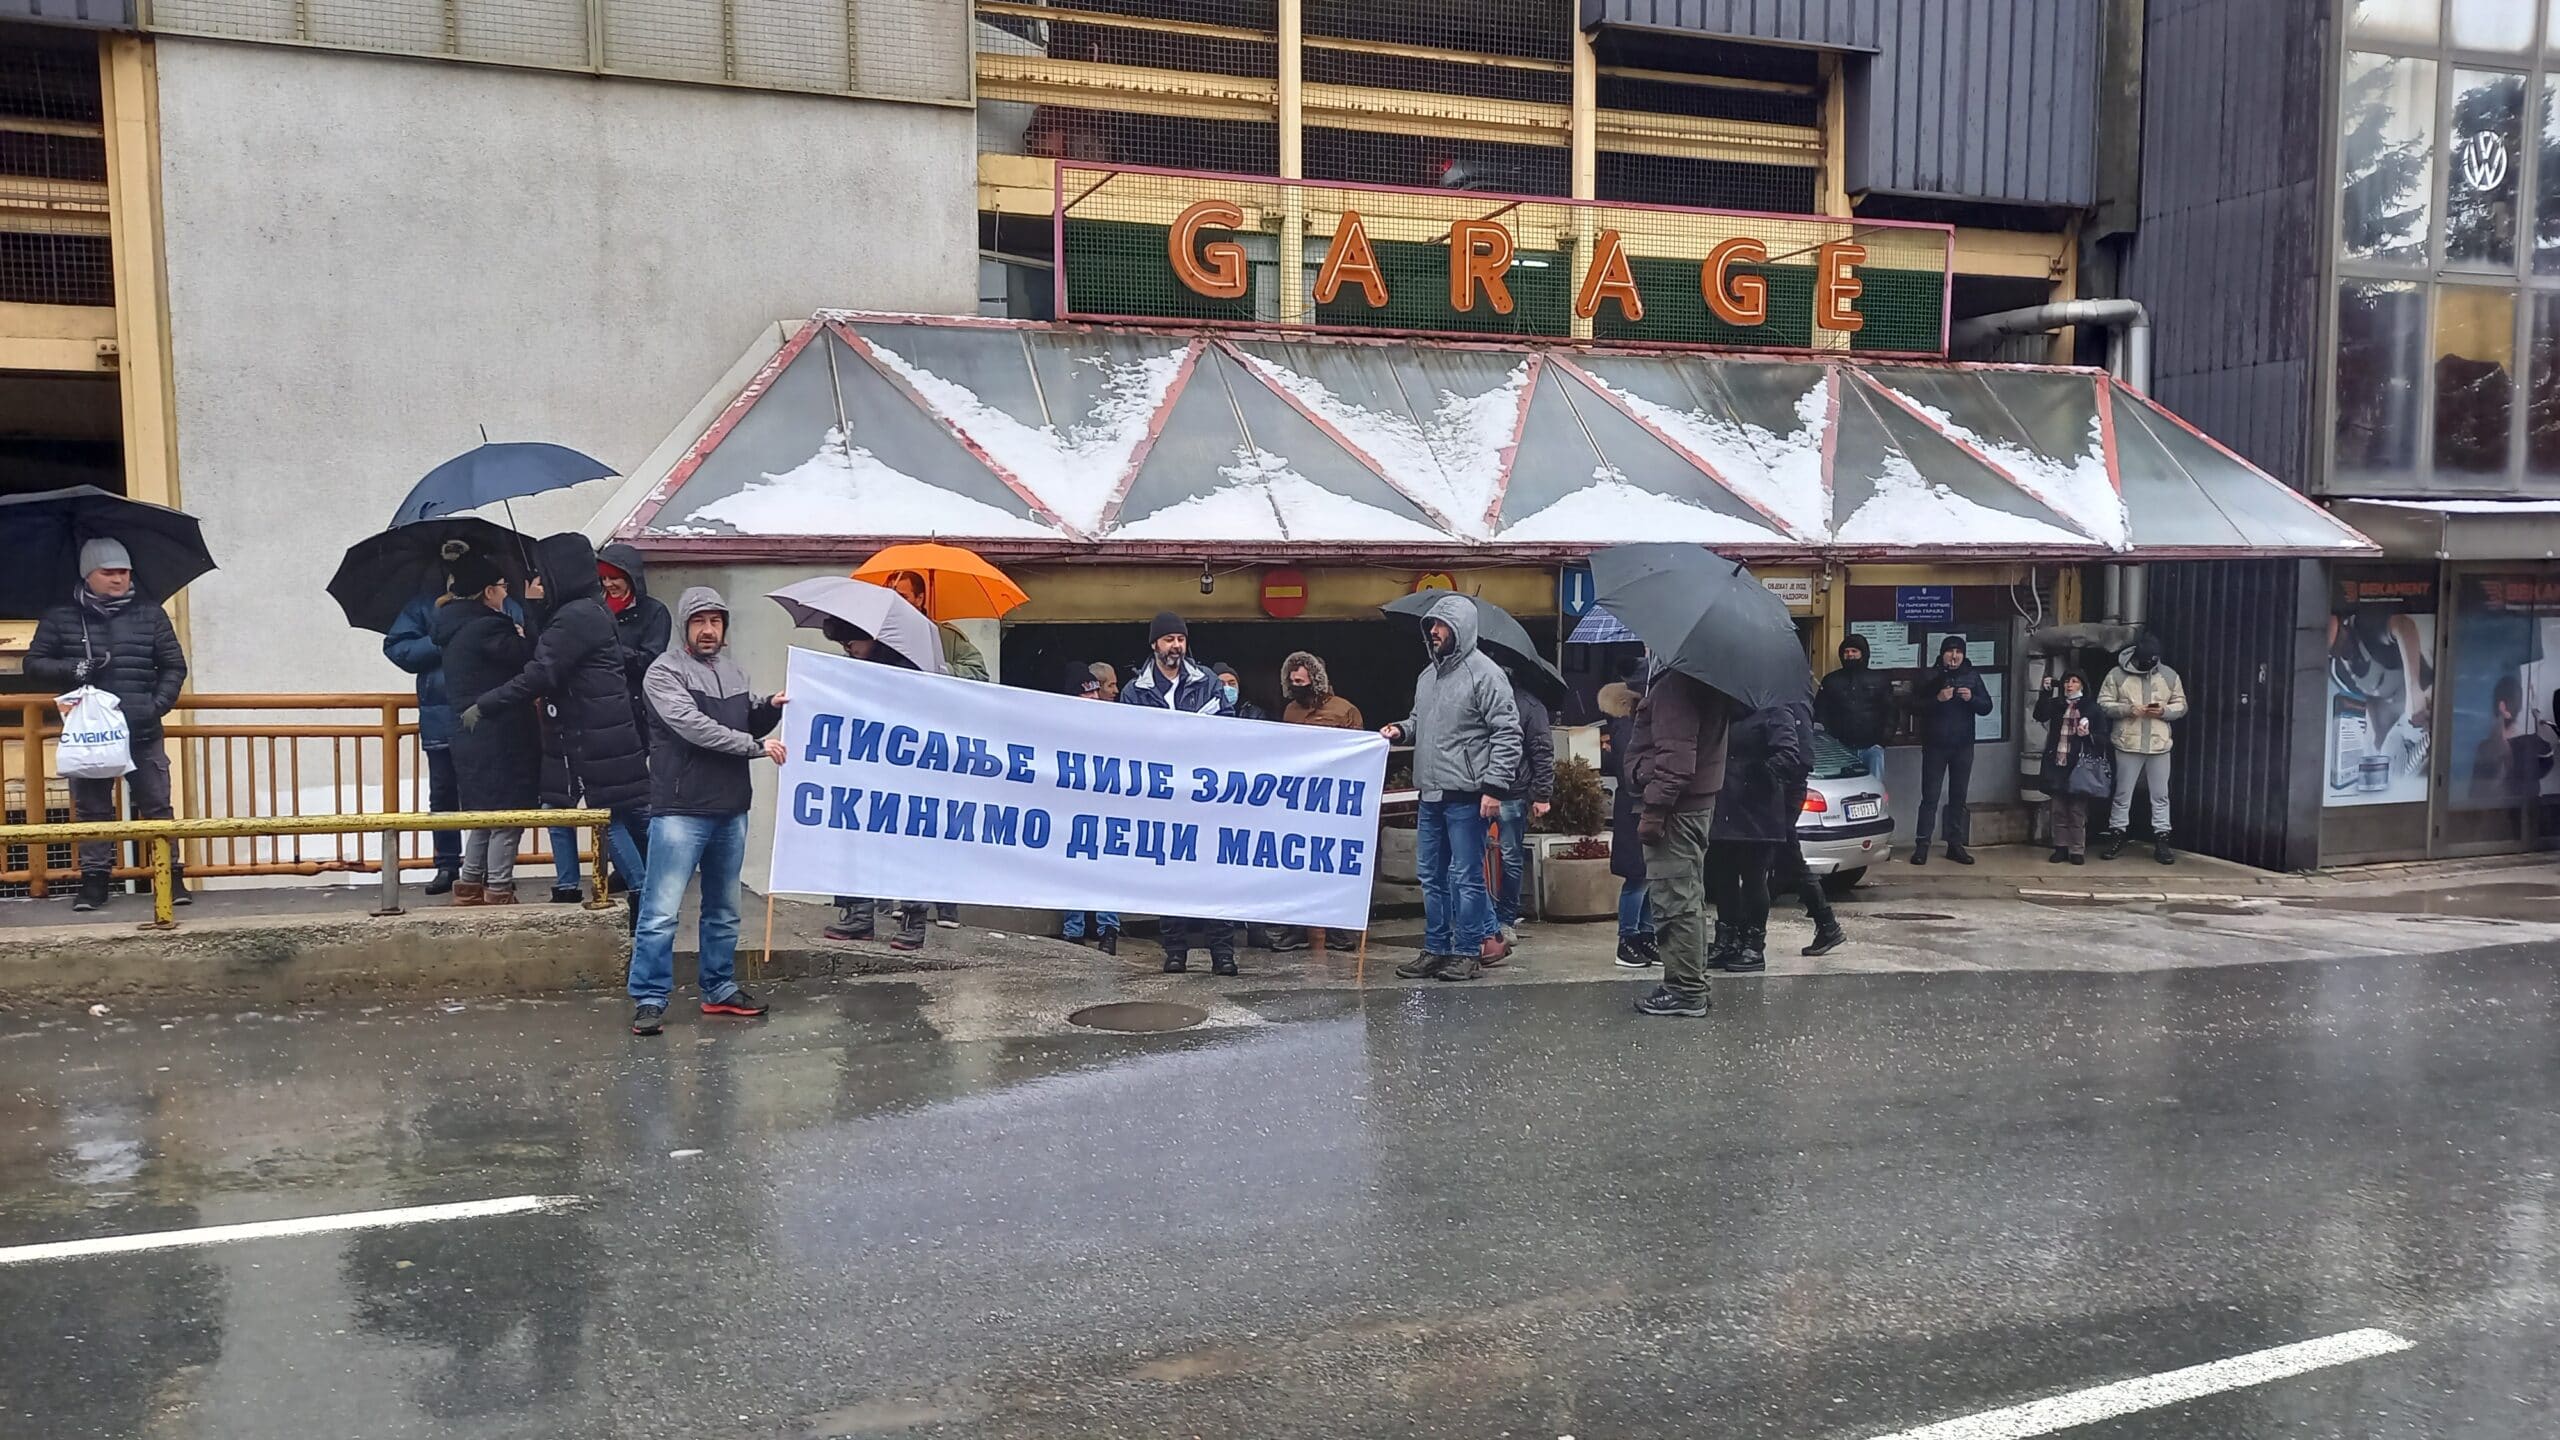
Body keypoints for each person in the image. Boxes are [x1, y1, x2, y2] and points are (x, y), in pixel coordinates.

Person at [464, 532, 652, 915]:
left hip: (590, 733)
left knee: (604, 819)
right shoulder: (587, 610)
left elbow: (541, 670)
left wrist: (486, 704)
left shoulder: (576, 616)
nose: (539, 580)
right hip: (591, 730)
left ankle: (644, 895)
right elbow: (548, 646)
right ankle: (597, 888)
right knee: (581, 809)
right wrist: (534, 608)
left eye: (544, 572)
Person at [627, 587, 785, 1035]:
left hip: (730, 807)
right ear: (685, 627)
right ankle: (650, 998)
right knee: (660, 912)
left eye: (716, 621)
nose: (709, 630)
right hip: (681, 808)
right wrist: (755, 746)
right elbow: (694, 727)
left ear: (725, 629)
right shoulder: (663, 673)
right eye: (700, 621)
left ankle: (718, 988)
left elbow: (742, 718)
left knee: (724, 909)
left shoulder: (734, 672)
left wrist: (768, 707)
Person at [27, 538, 189, 913]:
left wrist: (154, 707)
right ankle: (95, 882)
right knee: (92, 810)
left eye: (124, 571)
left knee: (157, 806)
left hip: (142, 729)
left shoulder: (150, 614)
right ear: (89, 575)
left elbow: (173, 667)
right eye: (109, 572)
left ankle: (171, 877)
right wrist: (73, 669)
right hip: (88, 734)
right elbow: (34, 665)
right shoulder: (61, 616)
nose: (119, 579)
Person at [1381, 595, 1520, 983]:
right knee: (1430, 876)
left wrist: (1494, 787)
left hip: (1468, 795)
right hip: (1431, 793)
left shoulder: (1487, 675)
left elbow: (1508, 733)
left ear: (1461, 629)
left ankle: (1466, 950)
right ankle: (1437, 947)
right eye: (1431, 626)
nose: (1434, 632)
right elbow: (1419, 719)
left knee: (1466, 876)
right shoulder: (1428, 676)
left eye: (1441, 625)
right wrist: (1402, 729)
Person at [1122, 612, 1239, 973]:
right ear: (1154, 644)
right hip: (1163, 797)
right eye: (1169, 639)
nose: (1175, 646)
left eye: (1181, 639)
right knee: (1170, 874)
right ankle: (1175, 951)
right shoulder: (1134, 691)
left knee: (1214, 873)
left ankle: (1223, 953)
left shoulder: (1208, 683)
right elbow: (1125, 740)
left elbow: (1230, 727)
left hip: (1206, 794)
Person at [817, 616, 935, 952]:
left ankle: (914, 919)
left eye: (851, 642)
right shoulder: (856, 670)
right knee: (856, 839)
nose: (848, 650)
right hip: (865, 771)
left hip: (906, 773)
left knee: (909, 845)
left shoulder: (907, 669)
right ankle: (858, 913)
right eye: (842, 646)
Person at [430, 551, 540, 904]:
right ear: (487, 590)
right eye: (503, 586)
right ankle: (499, 889)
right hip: (502, 732)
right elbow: (529, 658)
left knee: (481, 813)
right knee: (508, 815)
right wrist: (531, 617)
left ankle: (469, 885)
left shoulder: (450, 626)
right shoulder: (490, 626)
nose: (506, 593)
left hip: (469, 733)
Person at [1622, 661, 1730, 1016]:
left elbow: (1676, 763)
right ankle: (1690, 980)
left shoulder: (1675, 686)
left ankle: (1685, 988)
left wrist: (1653, 804)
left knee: (1674, 898)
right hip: (1694, 804)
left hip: (1676, 810)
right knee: (1686, 894)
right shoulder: (1706, 678)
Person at [383, 540, 471, 895]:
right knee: (444, 794)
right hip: (439, 714)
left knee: (486, 794)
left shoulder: (495, 598)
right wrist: (441, 641)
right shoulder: (424, 605)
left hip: (485, 714)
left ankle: (489, 869)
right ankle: (447, 864)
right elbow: (397, 648)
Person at [1704, 699, 1811, 975]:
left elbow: (1789, 754)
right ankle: (1726, 938)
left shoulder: (1774, 711)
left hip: (1757, 809)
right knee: (1723, 878)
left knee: (1753, 878)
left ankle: (1753, 943)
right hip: (1724, 804)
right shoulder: (1721, 709)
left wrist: (1762, 772)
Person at [2099, 633, 2189, 864]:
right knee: (2122, 794)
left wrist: (2164, 712)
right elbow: (2103, 703)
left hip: (2159, 743)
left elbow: (2181, 703)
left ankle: (2162, 840)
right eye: (2145, 660)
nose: (2149, 664)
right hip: (2128, 741)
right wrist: (2128, 710)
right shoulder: (2117, 675)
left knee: (2160, 795)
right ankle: (2117, 834)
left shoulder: (2169, 675)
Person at [1906, 636, 1993, 866]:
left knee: (1958, 796)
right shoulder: (1930, 675)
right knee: (1930, 797)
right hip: (1935, 745)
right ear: (1942, 653)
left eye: (1958, 652)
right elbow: (1913, 707)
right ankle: (1922, 845)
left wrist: (1971, 698)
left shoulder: (1972, 676)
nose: (1954, 656)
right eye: (1950, 652)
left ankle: (1955, 845)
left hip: (1963, 746)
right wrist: (1937, 699)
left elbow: (1987, 707)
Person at [1056, 663, 1120, 955]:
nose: (1094, 698)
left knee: (1105, 869)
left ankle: (1109, 931)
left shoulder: (1111, 728)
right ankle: (1074, 932)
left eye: (1096, 691)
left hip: (1105, 809)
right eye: (1087, 693)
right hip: (1071, 810)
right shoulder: (1061, 730)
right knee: (1073, 870)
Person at [1490, 663, 1554, 949]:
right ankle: (1492, 919)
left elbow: (1542, 751)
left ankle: (1504, 918)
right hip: (1482, 790)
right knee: (1482, 859)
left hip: (1511, 792)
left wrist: (1542, 795)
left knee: (1510, 858)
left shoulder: (1529, 706)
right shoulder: (1526, 705)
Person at [1598, 674, 1656, 970]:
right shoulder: (1626, 727)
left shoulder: (1636, 724)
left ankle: (1646, 935)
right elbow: (1629, 769)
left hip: (1642, 805)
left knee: (1649, 875)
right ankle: (1628, 939)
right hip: (1634, 807)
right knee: (1638, 876)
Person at [2034, 670, 2103, 865]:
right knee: (2058, 809)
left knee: (2077, 810)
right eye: (2066, 681)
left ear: (2082, 684)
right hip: (2058, 761)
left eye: (2074, 681)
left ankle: (2077, 849)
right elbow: (2039, 714)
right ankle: (2060, 847)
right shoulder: (2058, 705)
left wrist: (2088, 735)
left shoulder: (2091, 707)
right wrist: (2045, 693)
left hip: (2078, 765)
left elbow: (2103, 736)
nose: (2069, 685)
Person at [1815, 634, 1895, 782]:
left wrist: (1883, 742)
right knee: (1843, 788)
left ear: (1863, 653)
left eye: (1854, 651)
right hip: (1840, 748)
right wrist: (1829, 741)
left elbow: (1890, 712)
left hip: (1872, 748)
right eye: (1846, 651)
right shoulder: (1831, 680)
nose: (1850, 655)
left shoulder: (1879, 679)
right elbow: (1820, 712)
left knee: (1874, 789)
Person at [885, 570, 989, 682]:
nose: (896, 603)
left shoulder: (946, 636)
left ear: (919, 599)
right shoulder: (879, 635)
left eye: (902, 597)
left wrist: (941, 669)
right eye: (891, 597)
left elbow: (978, 671)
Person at [1279, 651, 1361, 730]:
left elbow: (1357, 742)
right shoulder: (1291, 710)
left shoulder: (1346, 711)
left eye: (1299, 681)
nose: (1294, 685)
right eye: (1291, 681)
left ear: (1315, 681)